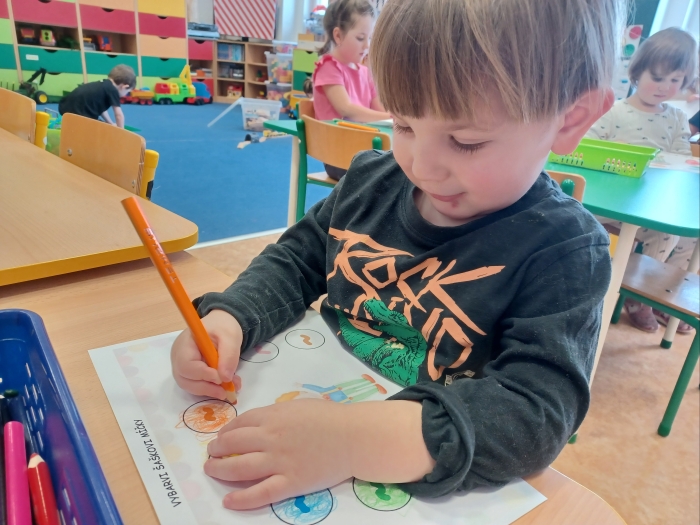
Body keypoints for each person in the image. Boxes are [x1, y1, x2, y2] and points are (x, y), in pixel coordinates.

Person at [171, 0, 622, 510]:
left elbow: (535, 414)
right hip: (309, 394)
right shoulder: (369, 182)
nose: (421, 168)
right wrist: (231, 317)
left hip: (418, 469)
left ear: (570, 120)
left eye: (466, 141)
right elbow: (296, 261)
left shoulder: (565, 251)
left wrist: (350, 441)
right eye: (403, 125)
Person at [587, 28, 698, 334]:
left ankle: (654, 294)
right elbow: (587, 147)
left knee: (681, 236)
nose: (664, 87)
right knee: (662, 235)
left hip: (652, 206)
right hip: (611, 207)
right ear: (637, 72)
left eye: (675, 80)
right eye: (657, 77)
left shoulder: (676, 118)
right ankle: (631, 294)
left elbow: (681, 159)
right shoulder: (614, 112)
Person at [305, 0, 390, 180]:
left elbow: (381, 109)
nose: (367, 46)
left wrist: (394, 116)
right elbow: (346, 109)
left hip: (365, 150)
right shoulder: (328, 67)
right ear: (338, 35)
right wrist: (391, 117)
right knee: (388, 176)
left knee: (401, 169)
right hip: (338, 155)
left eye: (370, 38)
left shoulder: (365, 72)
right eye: (360, 38)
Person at [58, 64, 135, 129]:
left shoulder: (104, 85)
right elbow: (119, 115)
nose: (126, 94)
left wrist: (110, 123)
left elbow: (100, 108)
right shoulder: (113, 90)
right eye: (127, 92)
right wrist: (121, 132)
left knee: (103, 125)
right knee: (100, 129)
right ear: (124, 87)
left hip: (65, 107)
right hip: (78, 113)